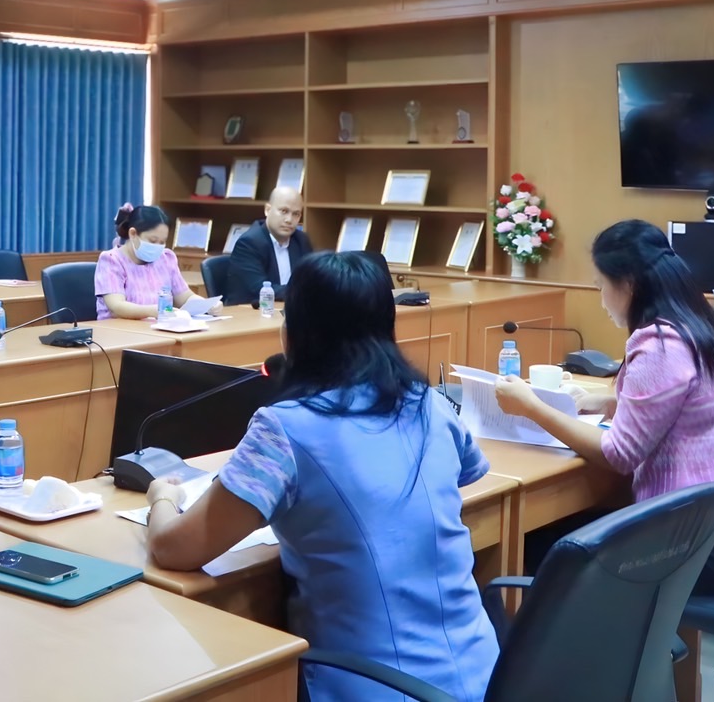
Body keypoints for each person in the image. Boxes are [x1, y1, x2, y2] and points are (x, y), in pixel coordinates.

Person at [145, 251, 498, 702]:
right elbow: (463, 472)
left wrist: (161, 497)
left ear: (295, 333)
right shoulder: (430, 404)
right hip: (487, 676)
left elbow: (175, 549)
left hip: (374, 686)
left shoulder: (284, 428)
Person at [494, 219, 714, 595]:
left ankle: (585, 636)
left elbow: (619, 455)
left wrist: (531, 406)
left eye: (600, 286)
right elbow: (692, 404)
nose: (601, 299)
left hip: (702, 545)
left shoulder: (660, 346)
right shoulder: (705, 323)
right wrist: (610, 402)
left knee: (542, 546)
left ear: (628, 284)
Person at [94, 203, 191, 321]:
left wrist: (206, 305)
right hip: (119, 329)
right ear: (133, 234)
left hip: (158, 328)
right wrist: (156, 311)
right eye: (153, 240)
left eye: (162, 242)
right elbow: (117, 307)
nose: (158, 246)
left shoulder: (166, 258)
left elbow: (184, 296)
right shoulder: (111, 260)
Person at [223, 186, 311, 305]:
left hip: (289, 309)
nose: (289, 220)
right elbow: (260, 290)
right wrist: (305, 292)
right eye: (284, 211)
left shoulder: (300, 240)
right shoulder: (249, 243)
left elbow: (313, 279)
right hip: (250, 311)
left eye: (296, 214)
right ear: (267, 210)